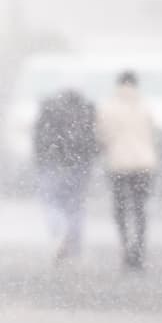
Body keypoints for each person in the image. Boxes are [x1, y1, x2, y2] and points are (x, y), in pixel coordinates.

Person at [96, 71, 157, 270]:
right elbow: (151, 132)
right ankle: (139, 251)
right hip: (143, 164)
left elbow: (102, 135)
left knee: (120, 209)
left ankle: (125, 247)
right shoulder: (145, 105)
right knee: (140, 209)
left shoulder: (109, 107)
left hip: (119, 164)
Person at [33, 88, 97, 264]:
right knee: (75, 206)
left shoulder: (48, 111)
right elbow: (92, 141)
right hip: (79, 166)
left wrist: (40, 160)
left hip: (51, 164)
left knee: (51, 201)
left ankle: (58, 232)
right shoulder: (85, 111)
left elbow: (38, 139)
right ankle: (74, 246)